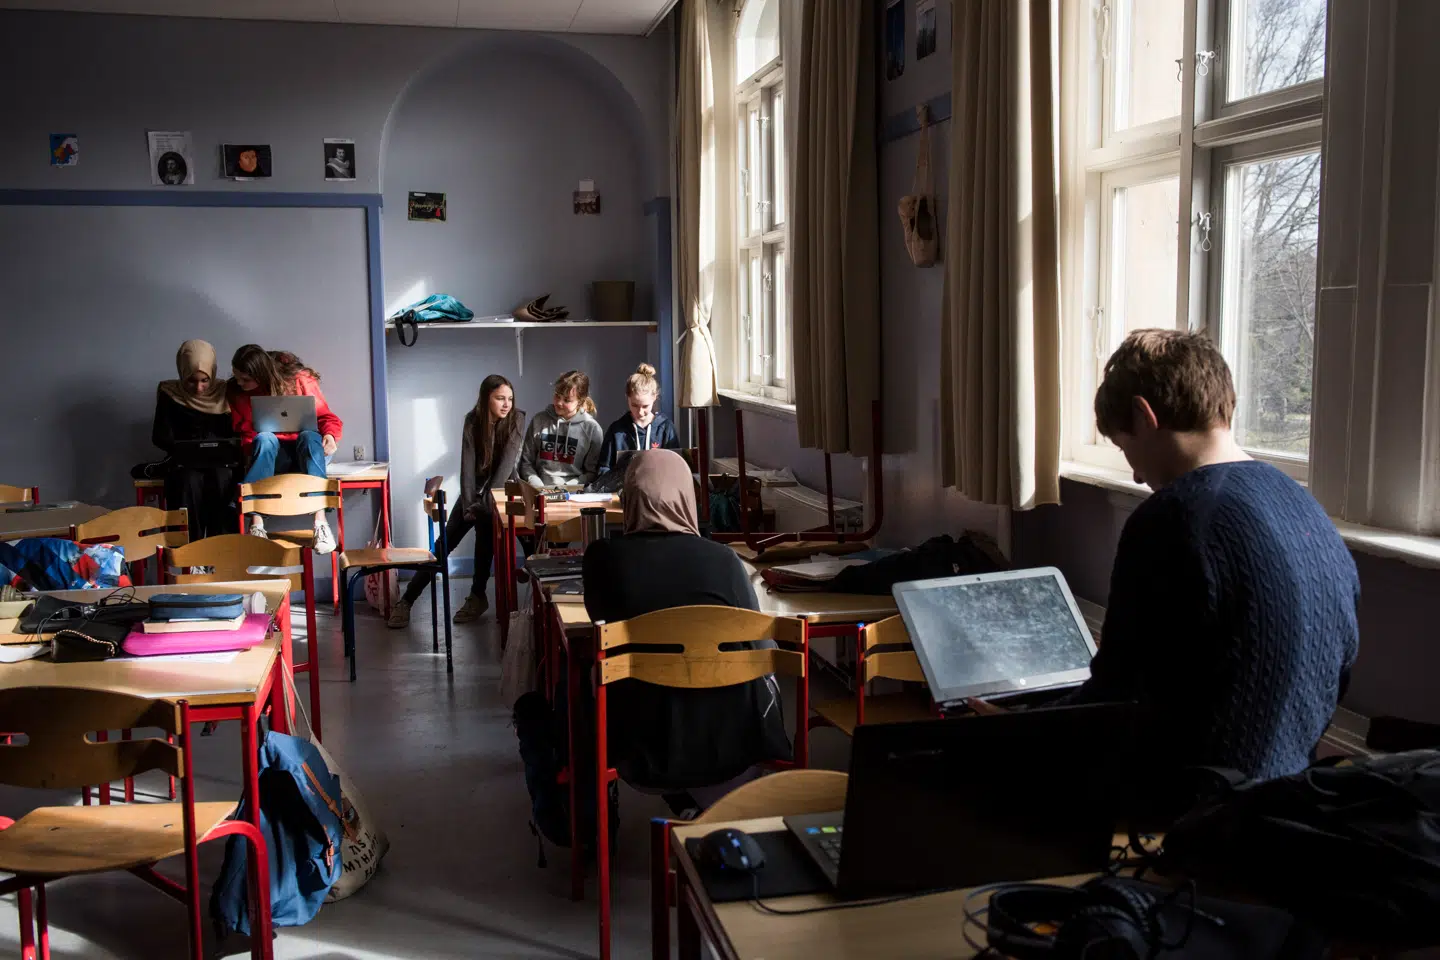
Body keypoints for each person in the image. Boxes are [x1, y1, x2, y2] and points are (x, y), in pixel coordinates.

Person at [974, 330, 1358, 799]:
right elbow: (1337, 667)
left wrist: (1017, 729)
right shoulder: (1306, 510)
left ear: (1143, 414)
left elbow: (1114, 699)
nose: (1135, 473)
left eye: (1123, 446)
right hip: (1288, 799)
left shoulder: (1174, 516)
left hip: (1196, 811)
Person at [581, 449, 791, 813]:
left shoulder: (603, 558)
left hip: (639, 740)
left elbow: (598, 621)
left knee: (586, 672)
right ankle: (709, 800)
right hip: (731, 736)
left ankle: (598, 816)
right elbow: (756, 638)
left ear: (629, 497)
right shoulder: (724, 560)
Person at [388, 375, 525, 628]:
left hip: (500, 492)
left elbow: (505, 467)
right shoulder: (472, 421)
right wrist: (471, 501)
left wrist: (483, 504)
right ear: (486, 399)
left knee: (485, 535)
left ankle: (477, 595)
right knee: (443, 545)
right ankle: (407, 601)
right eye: (500, 398)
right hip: (473, 493)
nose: (507, 404)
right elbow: (467, 467)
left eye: (510, 399)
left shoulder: (517, 419)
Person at [228, 344, 343, 553]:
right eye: (237, 376)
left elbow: (327, 417)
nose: (239, 382)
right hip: (269, 455)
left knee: (309, 436)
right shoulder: (236, 392)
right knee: (264, 438)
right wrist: (254, 446)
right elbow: (244, 433)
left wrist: (330, 436)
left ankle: (320, 522)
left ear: (261, 375)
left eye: (245, 379)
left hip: (307, 452)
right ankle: (256, 523)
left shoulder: (299, 380)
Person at [150, 339, 238, 540]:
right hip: (184, 464)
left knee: (223, 480)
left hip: (221, 464)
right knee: (186, 483)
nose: (199, 388)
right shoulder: (169, 393)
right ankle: (189, 554)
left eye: (205, 380)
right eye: (191, 380)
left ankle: (222, 551)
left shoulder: (226, 392)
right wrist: (186, 448)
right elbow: (160, 436)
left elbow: (236, 434)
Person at [593, 363, 681, 486]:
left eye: (645, 406)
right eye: (634, 405)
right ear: (627, 397)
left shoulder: (665, 428)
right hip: (624, 493)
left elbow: (676, 467)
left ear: (654, 397)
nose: (640, 412)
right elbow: (604, 468)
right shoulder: (617, 430)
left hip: (658, 490)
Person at [518, 370, 603, 489]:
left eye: (567, 400)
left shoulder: (592, 429)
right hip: (539, 490)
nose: (559, 402)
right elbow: (526, 462)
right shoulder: (539, 420)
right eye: (557, 395)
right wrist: (538, 487)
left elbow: (592, 473)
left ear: (580, 401)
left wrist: (566, 488)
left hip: (573, 493)